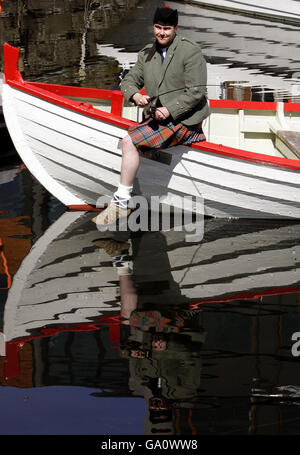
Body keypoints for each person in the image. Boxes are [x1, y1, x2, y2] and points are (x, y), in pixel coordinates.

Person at [95, 4, 210, 226]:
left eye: (167, 28)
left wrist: (170, 109)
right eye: (158, 27)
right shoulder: (146, 53)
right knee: (133, 140)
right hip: (158, 117)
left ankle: (121, 203)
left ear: (176, 28)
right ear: (153, 27)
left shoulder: (190, 51)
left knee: (129, 142)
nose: (162, 33)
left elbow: (196, 91)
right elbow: (128, 81)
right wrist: (135, 95)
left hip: (185, 119)